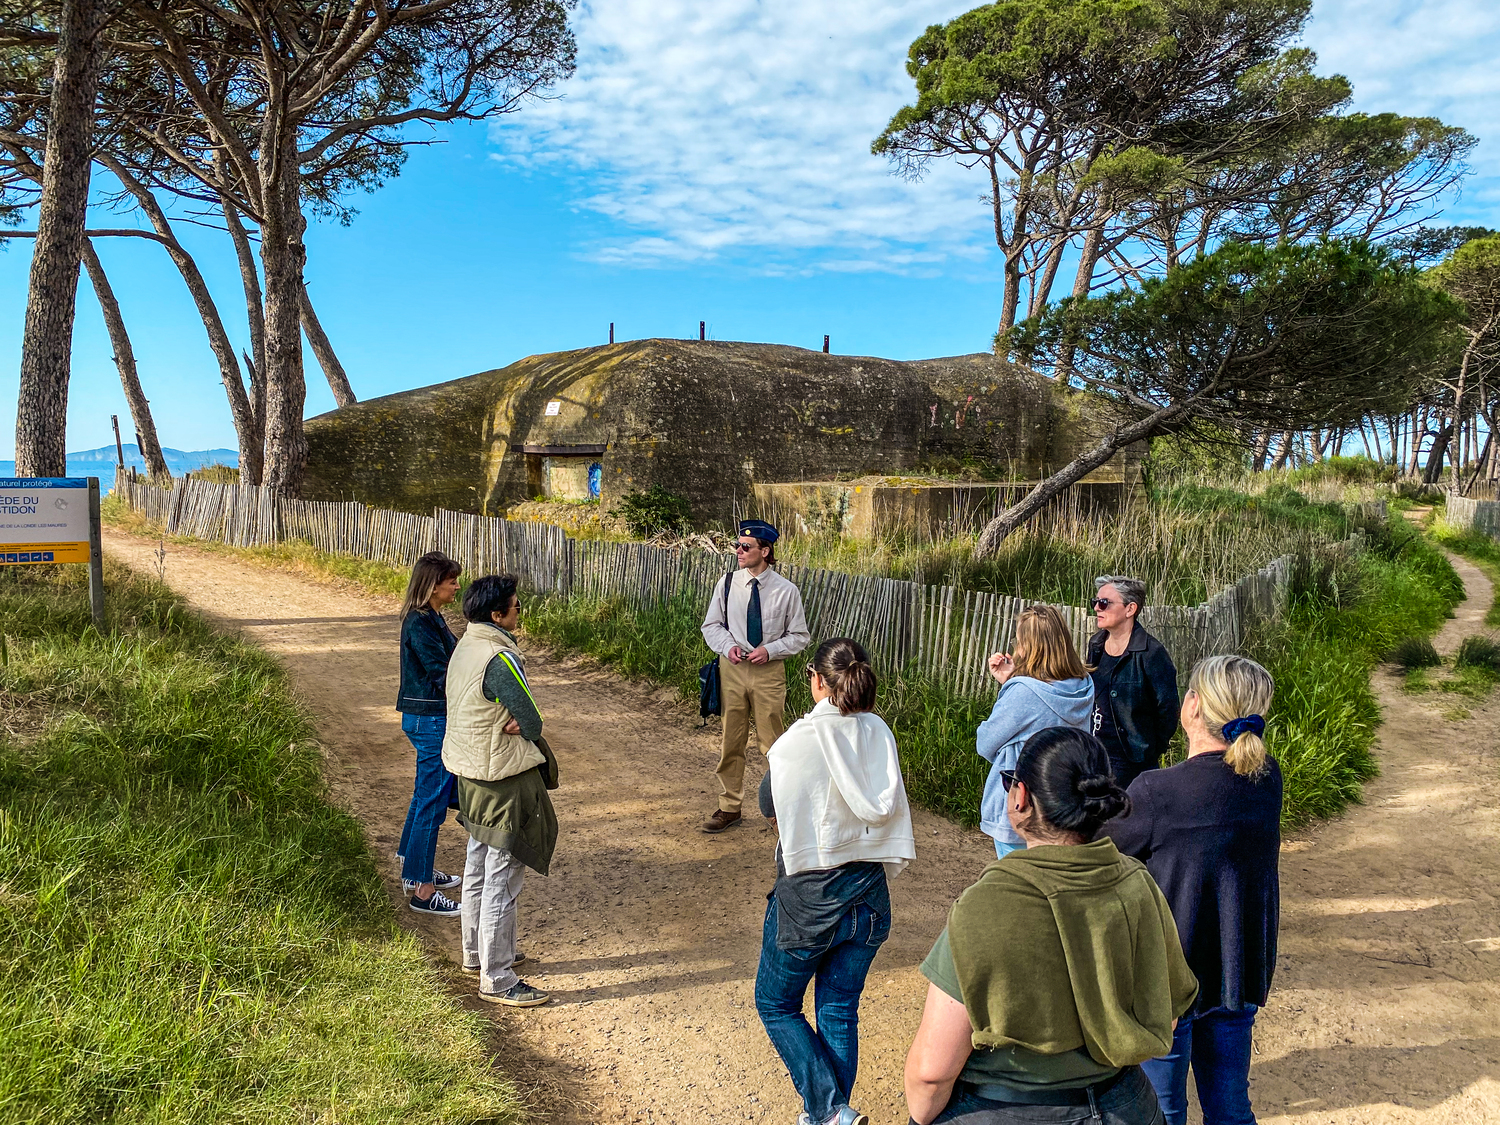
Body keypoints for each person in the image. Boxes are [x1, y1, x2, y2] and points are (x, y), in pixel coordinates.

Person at [904, 727, 1198, 1125]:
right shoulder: (1138, 884)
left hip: (1007, 1110)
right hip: (1126, 1104)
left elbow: (931, 1074)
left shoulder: (985, 906)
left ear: (1020, 797)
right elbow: (1168, 1013)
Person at [1102, 655, 1280, 1125]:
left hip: (1168, 977)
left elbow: (1102, 848)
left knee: (1162, 1110)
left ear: (1194, 705)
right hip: (1236, 969)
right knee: (1230, 1107)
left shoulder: (1159, 792)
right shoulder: (1267, 780)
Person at [755, 638, 916, 1125]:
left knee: (776, 1003)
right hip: (869, 894)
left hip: (811, 898)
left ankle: (827, 1111)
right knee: (840, 1008)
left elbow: (768, 805)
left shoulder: (798, 742)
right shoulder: (878, 731)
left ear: (819, 681)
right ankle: (832, 1113)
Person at [442, 573, 559, 1008]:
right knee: (504, 874)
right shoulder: (499, 658)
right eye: (514, 605)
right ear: (497, 615)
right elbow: (531, 721)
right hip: (503, 777)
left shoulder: (466, 645)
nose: (519, 610)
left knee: (477, 861)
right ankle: (498, 977)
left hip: (470, 771)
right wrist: (522, 723)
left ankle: (477, 954)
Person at [699, 518, 810, 833]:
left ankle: (778, 812)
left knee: (772, 745)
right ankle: (729, 807)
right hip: (732, 670)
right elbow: (712, 625)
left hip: (768, 673)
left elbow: (800, 636)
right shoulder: (727, 584)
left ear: (765, 550)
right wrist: (728, 647)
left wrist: (771, 650)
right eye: (737, 545)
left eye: (745, 547)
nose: (738, 551)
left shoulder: (786, 591)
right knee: (730, 741)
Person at [977, 605, 1095, 860]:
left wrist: (1010, 686)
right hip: (1065, 803)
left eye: (1019, 641)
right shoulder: (1083, 686)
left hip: (1023, 807)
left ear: (1029, 646)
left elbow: (985, 743)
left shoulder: (1023, 692)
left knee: (1019, 890)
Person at [395, 551, 465, 916]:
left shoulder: (431, 617)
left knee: (424, 795)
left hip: (427, 718)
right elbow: (444, 672)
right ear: (433, 585)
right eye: (451, 580)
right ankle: (423, 892)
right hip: (431, 720)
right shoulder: (420, 623)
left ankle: (412, 868)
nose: (456, 586)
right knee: (432, 803)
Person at [1087, 576, 1180, 789]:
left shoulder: (1152, 654)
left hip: (1133, 764)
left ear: (1130, 609)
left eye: (1104, 603)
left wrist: (1148, 749)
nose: (1097, 609)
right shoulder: (1096, 644)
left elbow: (1168, 710)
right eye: (1095, 602)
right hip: (1096, 756)